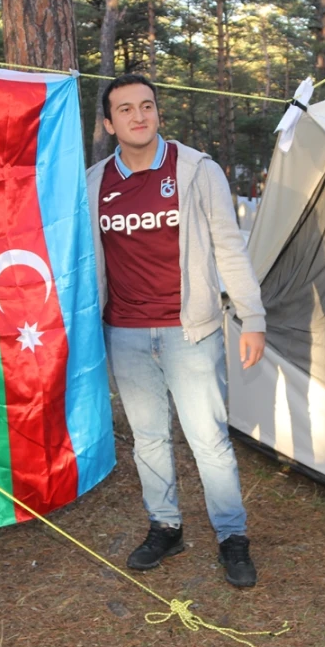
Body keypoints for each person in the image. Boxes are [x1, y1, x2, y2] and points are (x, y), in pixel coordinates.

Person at [87, 74, 267, 588]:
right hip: (124, 332)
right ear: (109, 123)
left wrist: (251, 316)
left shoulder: (195, 170)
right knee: (147, 438)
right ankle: (166, 527)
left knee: (208, 439)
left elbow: (229, 246)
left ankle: (233, 538)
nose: (138, 116)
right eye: (125, 109)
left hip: (191, 331)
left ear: (158, 114)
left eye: (147, 106)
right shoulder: (94, 182)